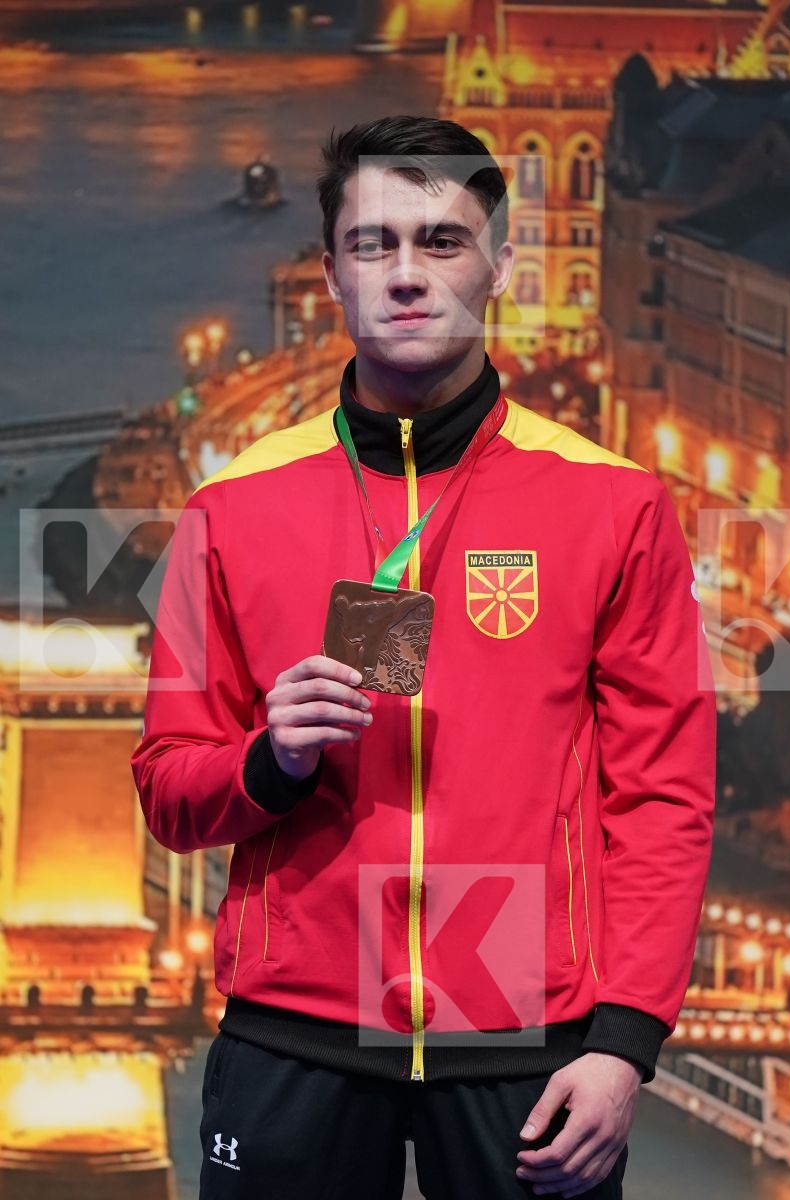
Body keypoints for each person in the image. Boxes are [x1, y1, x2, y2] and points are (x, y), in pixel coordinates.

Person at [132, 115, 716, 1200]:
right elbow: (168, 791)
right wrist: (269, 761)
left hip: (528, 1035)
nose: (407, 274)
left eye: (443, 240)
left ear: (501, 264)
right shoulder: (228, 509)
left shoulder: (615, 504)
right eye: (374, 243)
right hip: (293, 1033)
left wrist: (624, 1043)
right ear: (331, 275)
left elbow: (662, 798)